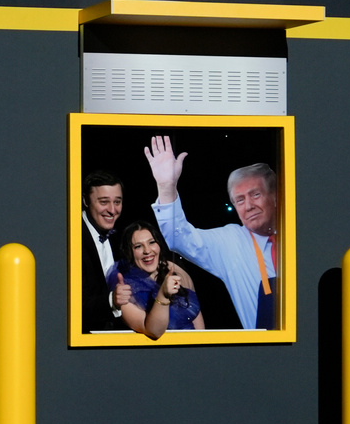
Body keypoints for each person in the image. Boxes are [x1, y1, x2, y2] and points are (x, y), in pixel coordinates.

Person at [144, 135, 279, 329]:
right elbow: (178, 237)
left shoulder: (301, 233)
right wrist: (166, 188)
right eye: (240, 200)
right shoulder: (231, 241)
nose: (248, 206)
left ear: (275, 196)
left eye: (255, 194)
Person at [106, 221, 204, 339]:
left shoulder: (175, 270)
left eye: (152, 242)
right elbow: (154, 331)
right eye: (138, 246)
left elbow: (198, 325)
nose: (147, 251)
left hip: (193, 347)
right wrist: (163, 295)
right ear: (129, 252)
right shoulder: (124, 289)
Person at [80, 170, 130, 332]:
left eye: (117, 202)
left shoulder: (119, 236)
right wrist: (111, 301)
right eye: (104, 202)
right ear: (85, 200)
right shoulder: (71, 237)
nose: (112, 210)